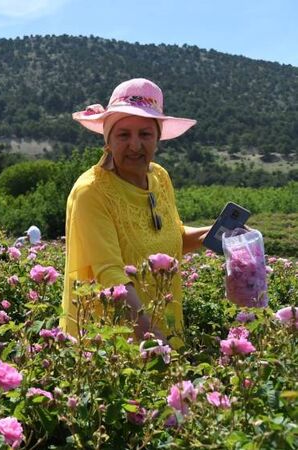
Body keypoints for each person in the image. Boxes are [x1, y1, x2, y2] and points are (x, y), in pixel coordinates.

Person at [62, 78, 210, 346]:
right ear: (108, 140)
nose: (135, 145)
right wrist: (155, 342)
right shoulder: (91, 192)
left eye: (145, 134)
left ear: (157, 138)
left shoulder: (160, 178)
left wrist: (213, 234)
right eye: (123, 135)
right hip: (113, 347)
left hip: (165, 329)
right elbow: (110, 275)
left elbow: (170, 238)